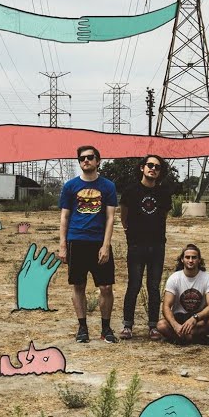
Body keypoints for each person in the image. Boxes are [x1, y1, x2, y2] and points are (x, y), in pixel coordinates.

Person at [58, 145, 118, 343]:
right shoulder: (70, 186)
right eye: (82, 158)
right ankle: (82, 328)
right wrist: (63, 245)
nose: (86, 160)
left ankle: (106, 328)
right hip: (76, 241)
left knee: (106, 287)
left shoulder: (108, 186)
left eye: (90, 157)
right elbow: (64, 217)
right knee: (78, 285)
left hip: (99, 242)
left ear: (98, 161)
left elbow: (110, 217)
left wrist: (106, 245)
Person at [118, 154, 173, 340]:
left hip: (157, 246)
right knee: (134, 285)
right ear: (142, 167)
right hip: (136, 246)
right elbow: (124, 217)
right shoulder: (130, 191)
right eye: (150, 165)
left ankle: (153, 326)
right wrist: (131, 234)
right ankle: (127, 325)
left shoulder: (164, 192)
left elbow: (163, 215)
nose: (153, 169)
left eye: (157, 167)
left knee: (154, 287)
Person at [157, 244, 209, 343]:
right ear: (182, 259)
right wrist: (175, 325)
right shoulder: (174, 278)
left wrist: (195, 318)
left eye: (194, 257)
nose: (190, 260)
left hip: (198, 319)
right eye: (187, 257)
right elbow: (166, 306)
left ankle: (181, 339)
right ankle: (197, 338)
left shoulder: (208, 279)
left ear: (199, 260)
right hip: (179, 317)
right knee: (161, 325)